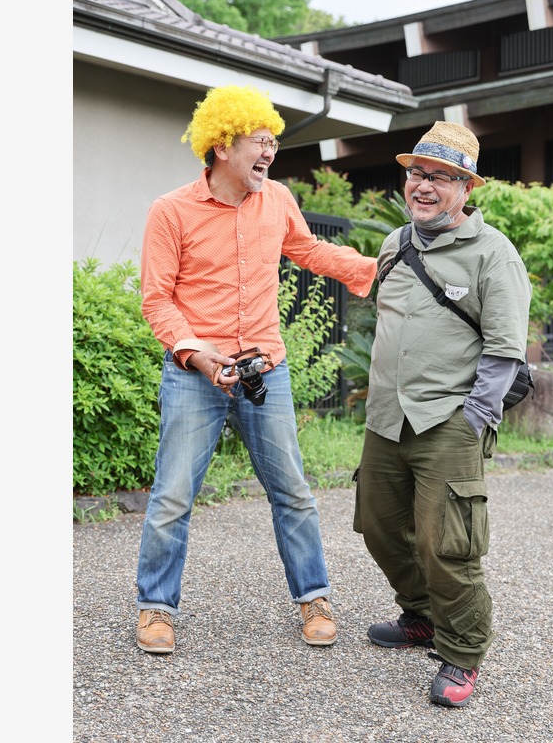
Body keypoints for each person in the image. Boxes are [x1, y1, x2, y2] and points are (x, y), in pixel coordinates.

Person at [135, 85, 377, 654]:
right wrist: (195, 353)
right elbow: (157, 300)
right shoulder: (171, 211)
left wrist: (378, 266)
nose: (269, 152)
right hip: (197, 372)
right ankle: (155, 609)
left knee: (292, 489)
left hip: (267, 367)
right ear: (221, 146)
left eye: (273, 143)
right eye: (259, 142)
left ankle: (313, 597)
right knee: (172, 495)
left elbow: (311, 251)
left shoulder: (278, 201)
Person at [355, 121, 532, 706]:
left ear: (465, 187)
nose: (423, 185)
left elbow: (505, 348)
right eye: (416, 173)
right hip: (386, 418)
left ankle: (462, 653)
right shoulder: (393, 244)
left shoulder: (493, 253)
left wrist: (475, 418)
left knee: (447, 543)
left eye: (440, 177)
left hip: (450, 421)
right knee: (380, 526)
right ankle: (422, 616)